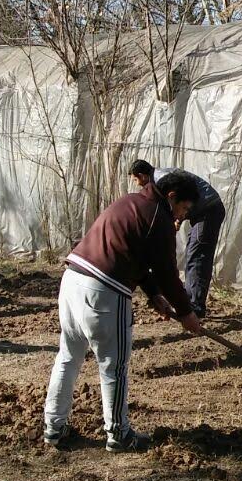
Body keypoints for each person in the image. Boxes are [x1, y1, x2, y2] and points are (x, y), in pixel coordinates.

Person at [42, 171, 203, 452]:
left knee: (68, 357)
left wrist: (154, 296)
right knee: (114, 366)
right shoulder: (158, 217)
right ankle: (118, 433)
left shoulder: (130, 202)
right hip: (103, 292)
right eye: (184, 209)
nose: (182, 217)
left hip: (72, 280)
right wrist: (187, 312)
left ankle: (53, 428)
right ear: (172, 197)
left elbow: (135, 256)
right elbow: (166, 272)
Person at [129, 160, 226, 317]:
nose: (137, 184)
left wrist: (174, 221)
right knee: (193, 253)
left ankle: (195, 307)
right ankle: (189, 301)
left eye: (135, 180)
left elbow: (179, 201)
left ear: (142, 176)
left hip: (209, 210)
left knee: (197, 255)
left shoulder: (161, 181)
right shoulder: (162, 176)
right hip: (202, 209)